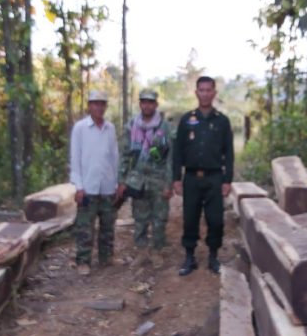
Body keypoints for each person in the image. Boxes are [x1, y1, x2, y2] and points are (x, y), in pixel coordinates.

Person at [172, 76, 234, 276]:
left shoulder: (222, 121)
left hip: (214, 177)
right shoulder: (186, 120)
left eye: (208, 90)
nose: (205, 94)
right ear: (196, 92)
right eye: (202, 90)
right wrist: (176, 178)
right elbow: (178, 151)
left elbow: (229, 153)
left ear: (214, 93)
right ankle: (189, 257)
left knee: (215, 219)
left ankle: (213, 257)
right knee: (190, 218)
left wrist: (227, 180)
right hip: (191, 178)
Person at [117, 89, 173, 269]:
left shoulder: (165, 127)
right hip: (138, 180)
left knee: (159, 218)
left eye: (150, 102)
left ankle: (156, 251)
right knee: (139, 218)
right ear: (140, 104)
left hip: (158, 180)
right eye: (144, 102)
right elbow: (125, 155)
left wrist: (169, 183)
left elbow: (171, 158)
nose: (147, 105)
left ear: (156, 104)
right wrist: (121, 180)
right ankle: (142, 251)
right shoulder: (131, 126)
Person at [70, 90, 121, 276]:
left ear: (105, 106)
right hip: (88, 187)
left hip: (107, 185)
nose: (99, 107)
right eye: (95, 104)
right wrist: (78, 186)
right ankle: (83, 261)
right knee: (85, 227)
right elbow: (75, 159)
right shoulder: (80, 128)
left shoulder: (110, 128)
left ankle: (106, 258)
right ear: (89, 106)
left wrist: (117, 183)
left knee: (107, 225)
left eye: (102, 104)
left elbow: (114, 157)